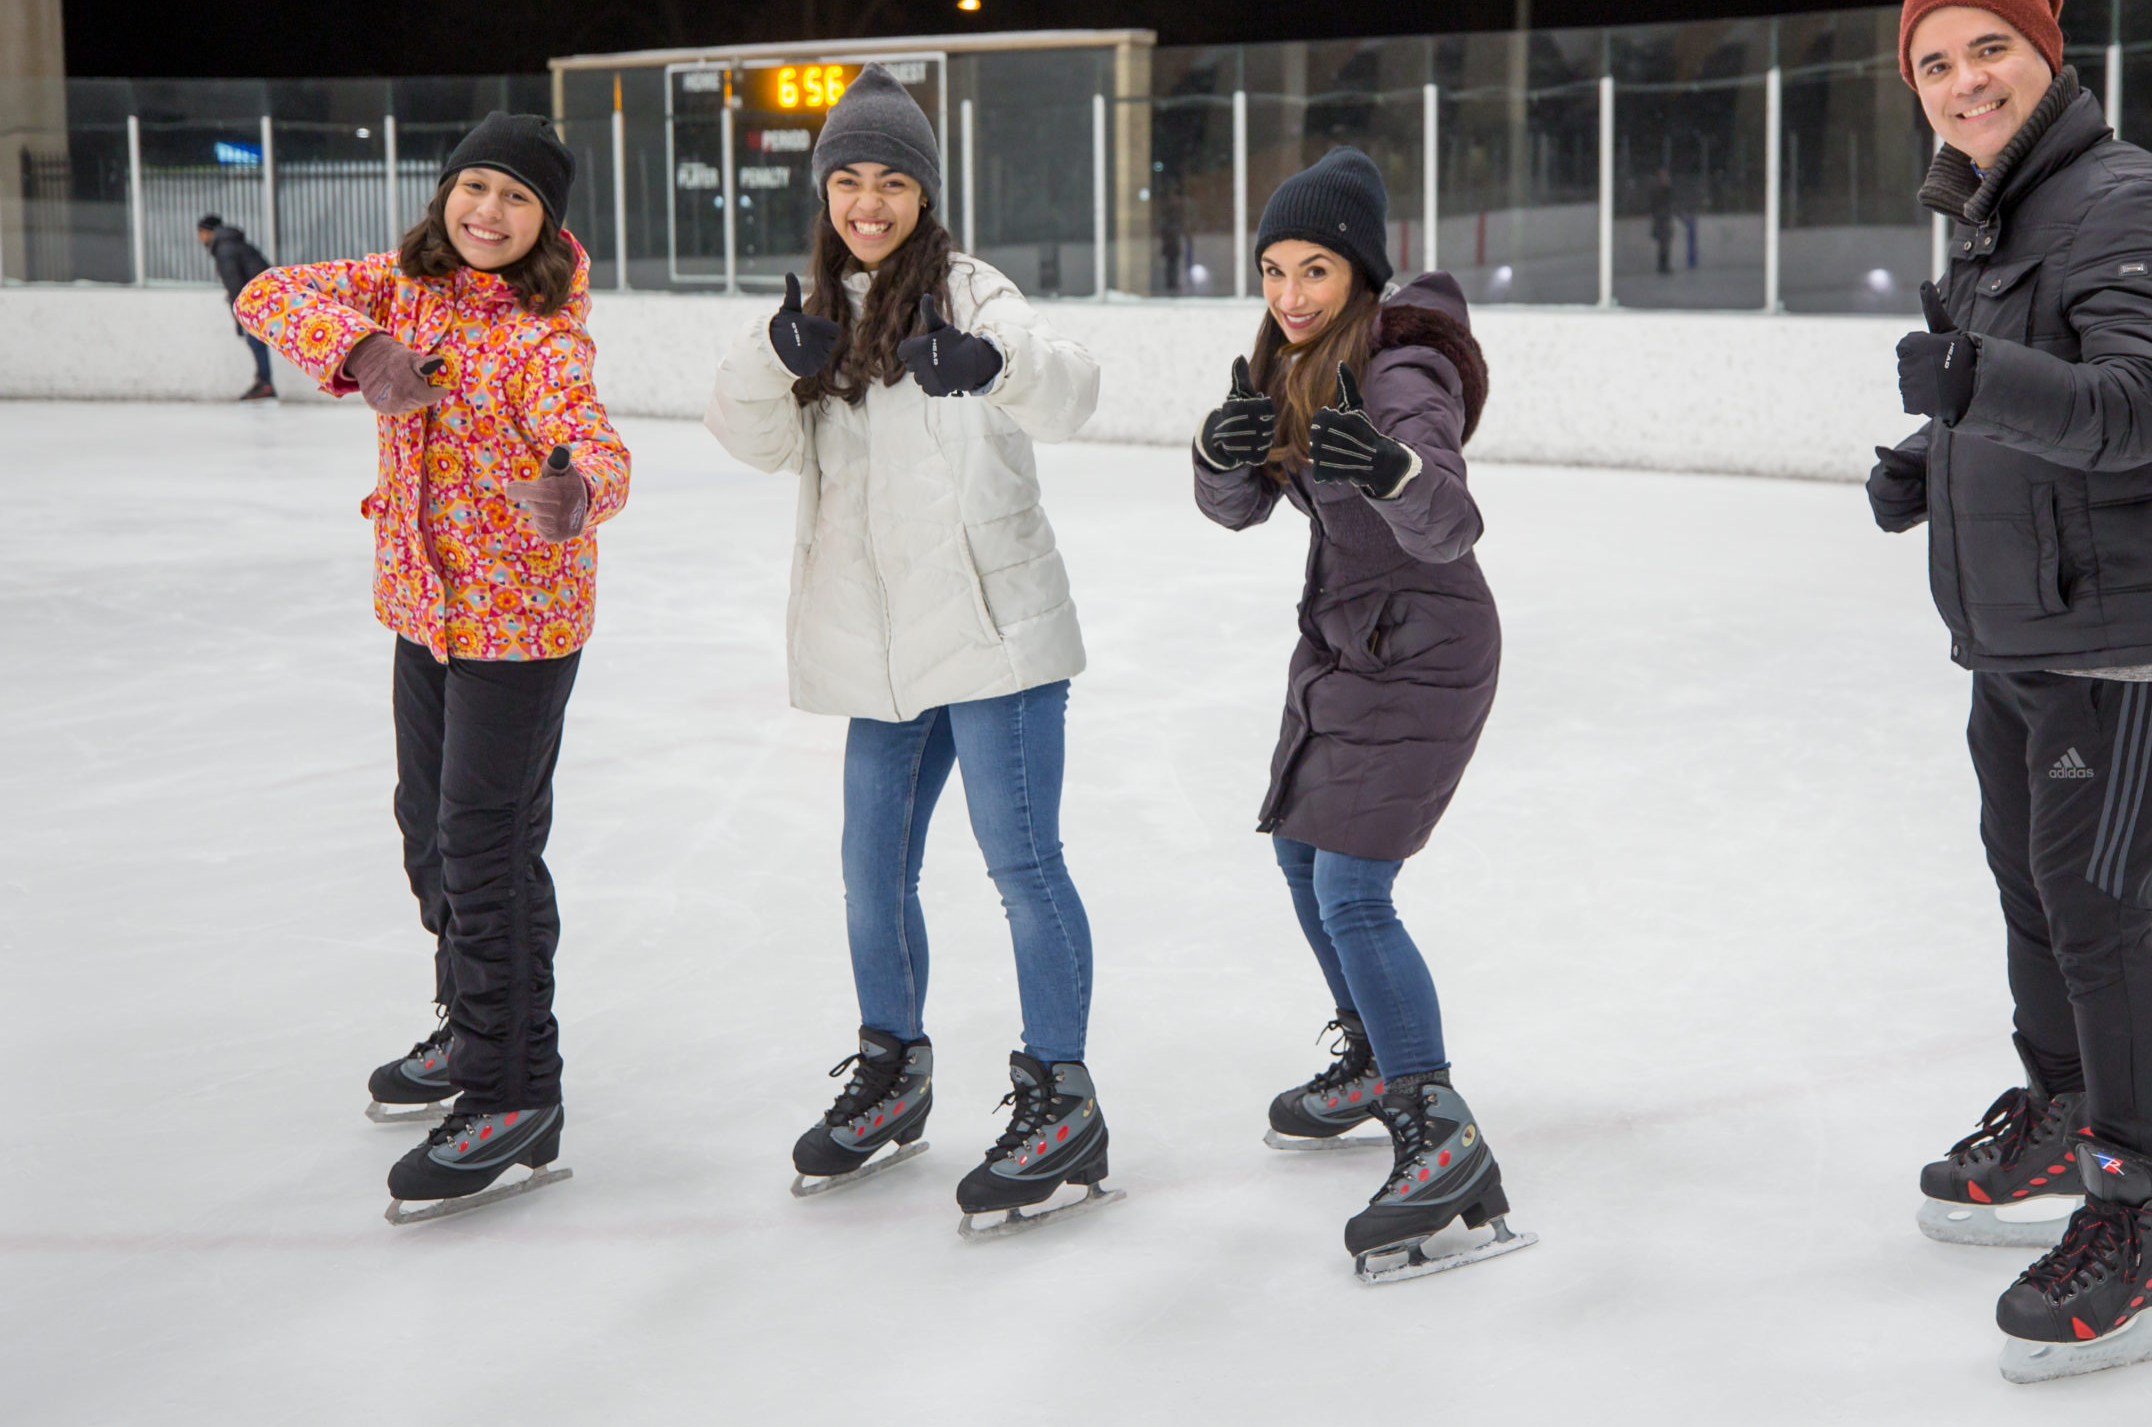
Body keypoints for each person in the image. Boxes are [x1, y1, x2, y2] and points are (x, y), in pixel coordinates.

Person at [1867, 0, 2152, 1382]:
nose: (1964, 82)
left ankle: (2144, 1216)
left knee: (2094, 906)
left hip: (2127, 632)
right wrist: (1931, 458)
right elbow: (2030, 387)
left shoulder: (2126, 198)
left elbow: (2146, 402)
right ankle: (2064, 1101)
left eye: (1987, 51)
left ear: (2045, 52)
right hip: (2024, 621)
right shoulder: (1996, 206)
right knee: (2028, 877)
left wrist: (1973, 389)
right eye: (1934, 65)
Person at [704, 65, 1112, 1238]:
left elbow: (1072, 390)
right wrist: (777, 359)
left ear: (926, 195)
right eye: (848, 178)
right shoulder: (816, 312)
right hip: (880, 653)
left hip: (992, 635)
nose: (868, 201)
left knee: (1020, 862)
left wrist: (993, 367)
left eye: (892, 180)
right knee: (869, 866)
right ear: (824, 188)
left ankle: (1061, 1094)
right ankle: (895, 1070)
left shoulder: (974, 295)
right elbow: (752, 440)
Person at [232, 112, 630, 1222]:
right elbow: (265, 293)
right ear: (445, 194)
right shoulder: (401, 286)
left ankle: (515, 1090)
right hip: (425, 611)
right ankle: (470, 1019)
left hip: (521, 624)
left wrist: (578, 492)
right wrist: (361, 351)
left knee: (487, 845)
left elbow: (595, 442)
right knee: (428, 829)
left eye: (514, 199)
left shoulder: (546, 337)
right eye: (474, 189)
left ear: (545, 223)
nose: (486, 213)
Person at [1191, 147, 1526, 1284]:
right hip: (1347, 643)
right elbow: (1234, 508)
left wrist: (1389, 471)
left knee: (1351, 888)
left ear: (1362, 274)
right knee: (1298, 856)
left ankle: (1438, 1128)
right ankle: (1373, 1057)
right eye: (1274, 269)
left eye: (1315, 269)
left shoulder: (1397, 372)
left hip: (1425, 650)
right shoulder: (1291, 361)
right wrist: (1217, 455)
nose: (1289, 292)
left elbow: (1449, 517)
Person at [197, 214, 275, 399]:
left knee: (255, 339)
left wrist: (240, 316)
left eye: (200, 233)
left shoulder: (225, 249)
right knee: (255, 340)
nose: (199, 238)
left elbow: (235, 285)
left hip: (258, 298)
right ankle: (264, 381)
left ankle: (265, 383)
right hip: (263, 294)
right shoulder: (232, 245)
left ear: (208, 232)